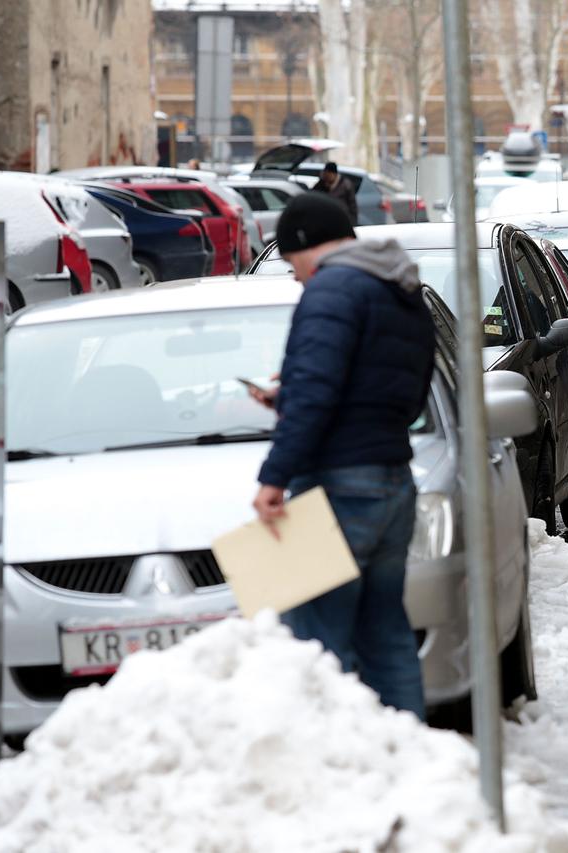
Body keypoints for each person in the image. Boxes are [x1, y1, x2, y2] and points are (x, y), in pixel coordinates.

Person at [250, 192, 434, 718]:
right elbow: (396, 387)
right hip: (393, 480)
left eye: (290, 264)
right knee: (385, 632)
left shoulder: (331, 289)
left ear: (306, 247)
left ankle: (338, 763)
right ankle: (406, 750)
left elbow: (315, 392)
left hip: (338, 487)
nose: (294, 278)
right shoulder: (398, 286)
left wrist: (274, 477)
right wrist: (289, 395)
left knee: (316, 639)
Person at [311, 161, 359, 225]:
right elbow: (312, 195)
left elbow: (352, 204)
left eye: (328, 174)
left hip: (342, 219)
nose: (327, 177)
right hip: (326, 219)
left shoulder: (346, 184)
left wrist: (353, 222)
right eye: (325, 174)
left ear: (334, 174)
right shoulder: (321, 183)